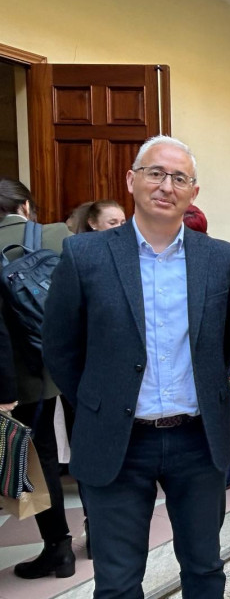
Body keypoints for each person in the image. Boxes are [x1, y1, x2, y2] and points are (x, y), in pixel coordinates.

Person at [43, 135, 230, 598]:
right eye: (155, 173)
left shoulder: (223, 259)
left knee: (205, 569)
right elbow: (60, 347)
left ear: (194, 192)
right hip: (118, 440)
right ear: (132, 180)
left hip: (198, 440)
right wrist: (100, 401)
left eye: (180, 178)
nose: (166, 185)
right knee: (116, 582)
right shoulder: (85, 254)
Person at [0, 178, 75, 579]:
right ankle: (97, 535)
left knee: (34, 458)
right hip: (70, 366)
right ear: (26, 205)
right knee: (80, 444)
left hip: (17, 378)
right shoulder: (59, 234)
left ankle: (58, 547)